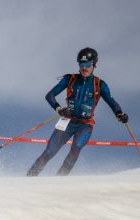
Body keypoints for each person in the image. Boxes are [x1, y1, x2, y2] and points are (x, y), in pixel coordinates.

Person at [26, 47, 128, 176]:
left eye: (87, 64)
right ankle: (30, 177)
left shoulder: (99, 84)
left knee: (76, 148)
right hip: (67, 121)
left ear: (94, 65)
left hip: (85, 125)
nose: (84, 68)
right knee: (50, 151)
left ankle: (60, 178)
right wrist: (58, 108)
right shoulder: (70, 79)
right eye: (81, 64)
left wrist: (119, 114)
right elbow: (50, 95)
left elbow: (112, 102)